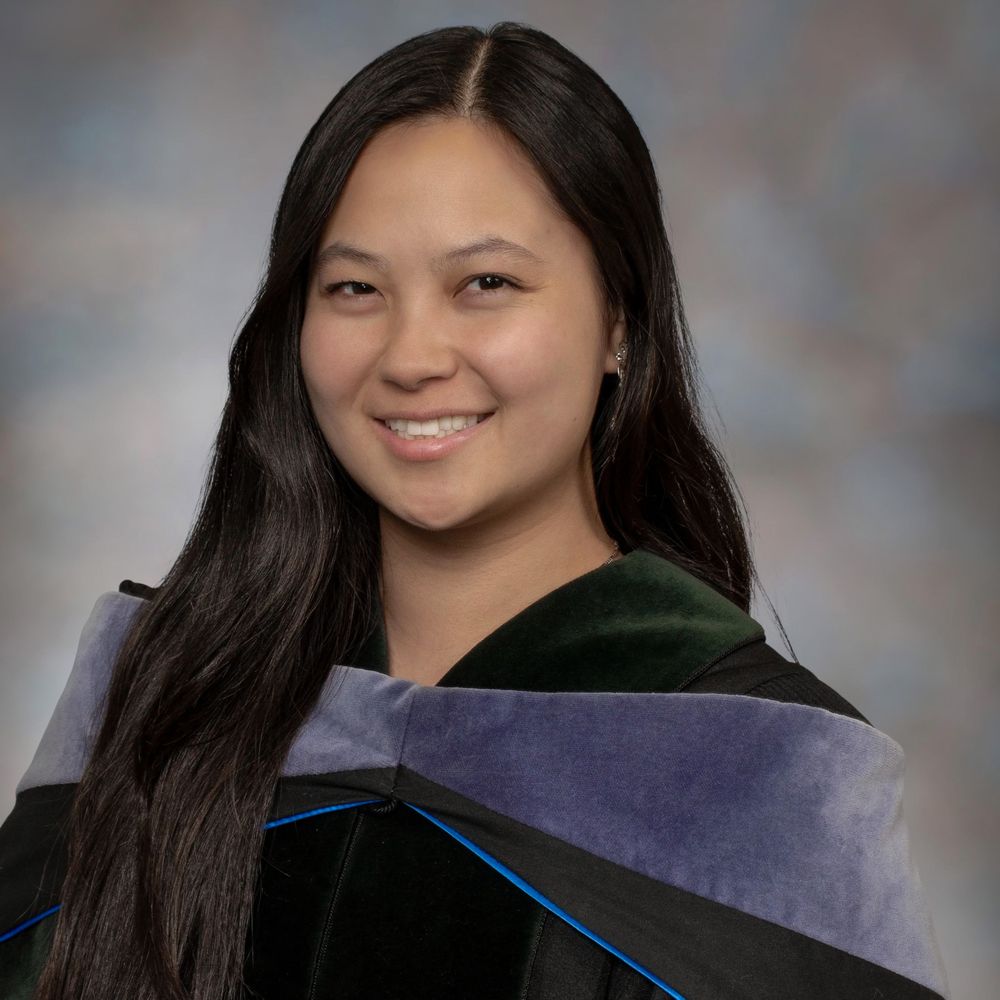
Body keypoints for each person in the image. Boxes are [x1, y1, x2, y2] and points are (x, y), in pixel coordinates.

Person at [0, 21, 948, 1000]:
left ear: (620, 322)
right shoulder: (165, 699)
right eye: (354, 287)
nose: (412, 356)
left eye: (485, 283)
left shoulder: (769, 782)